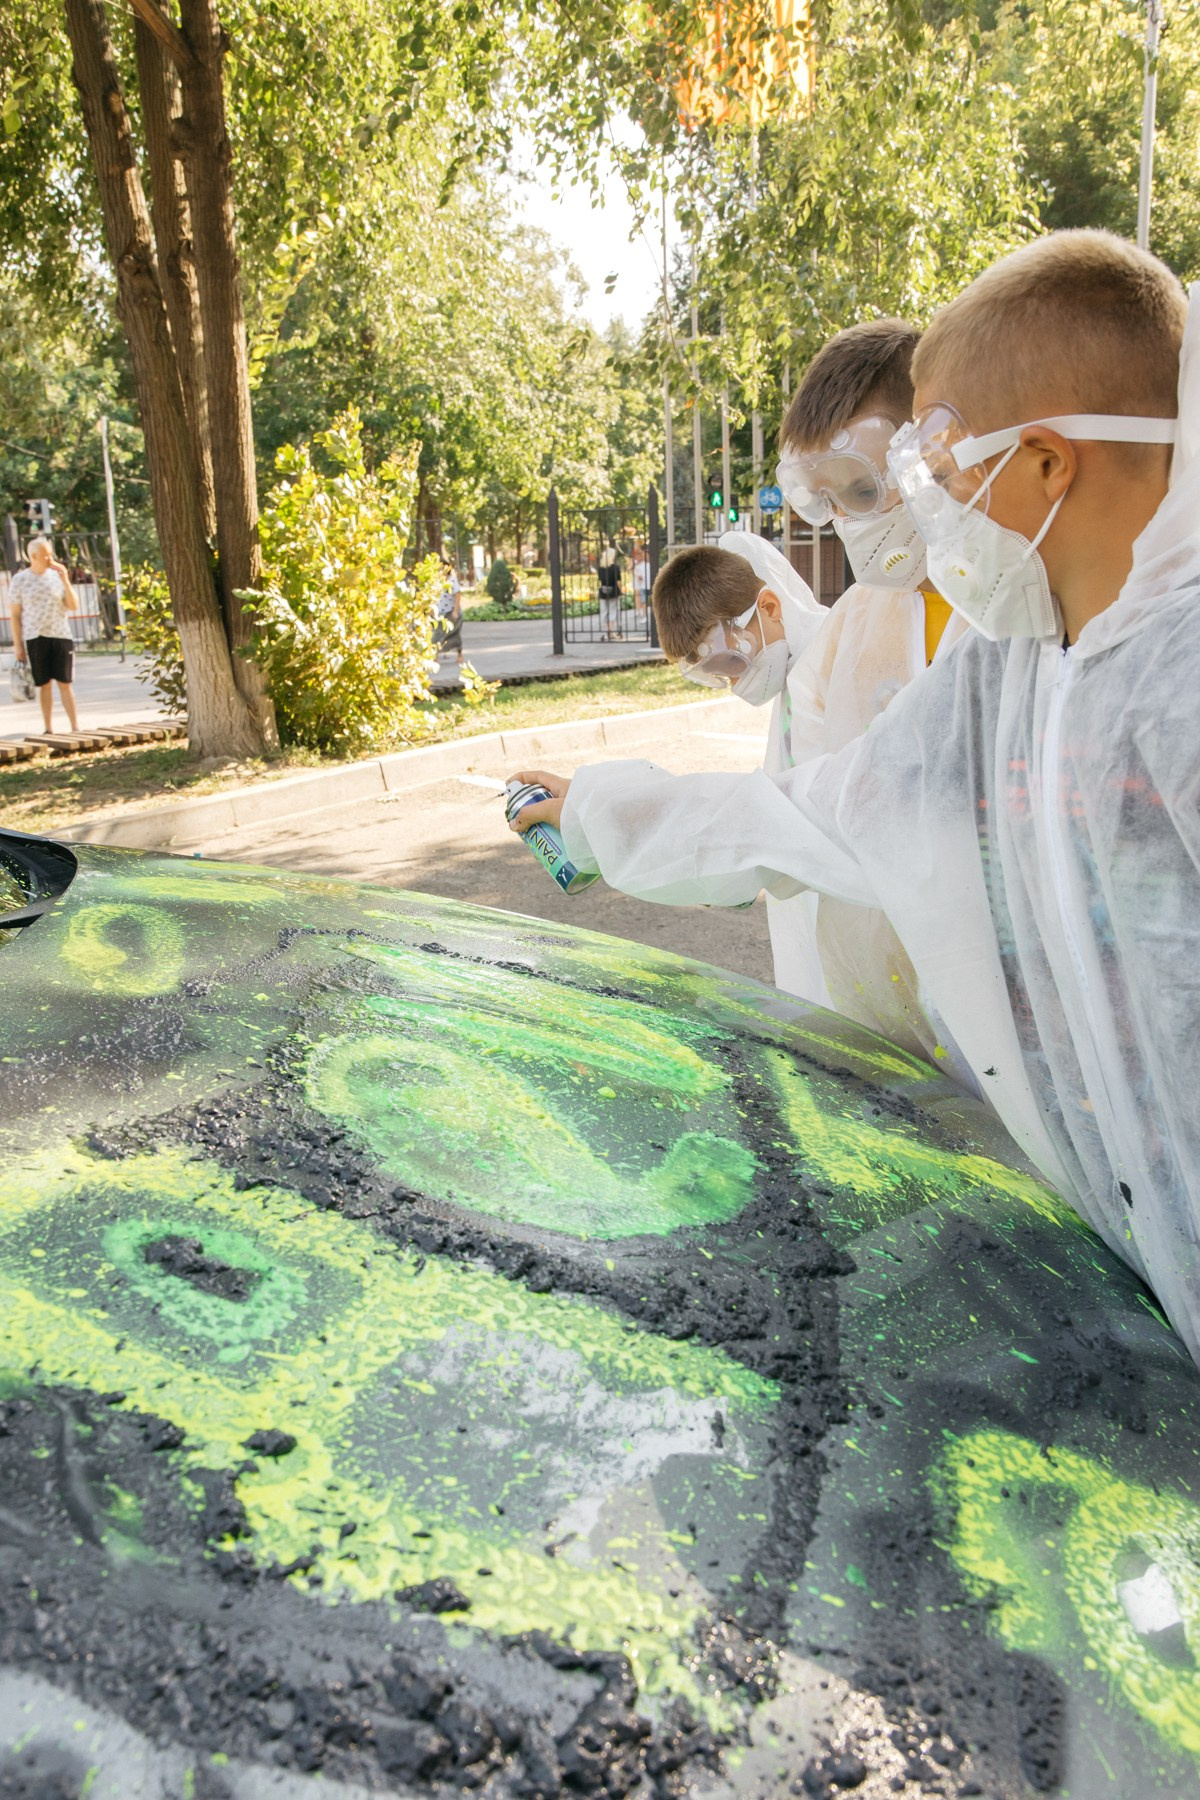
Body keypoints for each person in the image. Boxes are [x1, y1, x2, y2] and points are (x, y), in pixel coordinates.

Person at [510, 231, 1200, 1366]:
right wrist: (597, 810)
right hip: (1134, 1265)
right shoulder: (1016, 669)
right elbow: (815, 816)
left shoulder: (1172, 681)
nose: (923, 507)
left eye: (937, 460)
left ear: (1044, 463)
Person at [9, 535, 80, 733]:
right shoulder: (20, 580)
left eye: (50, 554)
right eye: (45, 555)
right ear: (33, 556)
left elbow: (73, 606)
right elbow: (15, 615)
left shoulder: (57, 576)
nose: (50, 558)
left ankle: (75, 727)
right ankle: (48, 728)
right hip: (36, 637)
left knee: (65, 682)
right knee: (44, 684)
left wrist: (66, 580)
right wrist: (18, 646)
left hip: (61, 635)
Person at [433, 557, 463, 665]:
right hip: (439, 612)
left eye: (442, 568)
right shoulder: (436, 580)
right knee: (436, 634)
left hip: (450, 611)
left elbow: (457, 595)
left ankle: (459, 655)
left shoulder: (451, 580)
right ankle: (434, 656)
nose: (440, 570)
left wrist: (455, 611)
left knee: (454, 634)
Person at [597, 542, 623, 640]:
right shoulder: (615, 568)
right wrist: (621, 591)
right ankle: (611, 632)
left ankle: (605, 632)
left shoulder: (601, 568)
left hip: (603, 592)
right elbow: (618, 581)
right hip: (613, 592)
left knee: (604, 612)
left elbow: (601, 580)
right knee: (613, 611)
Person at [631, 540, 651, 629]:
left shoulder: (649, 564)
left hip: (650, 584)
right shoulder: (638, 564)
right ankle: (644, 615)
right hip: (643, 585)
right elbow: (634, 571)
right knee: (643, 601)